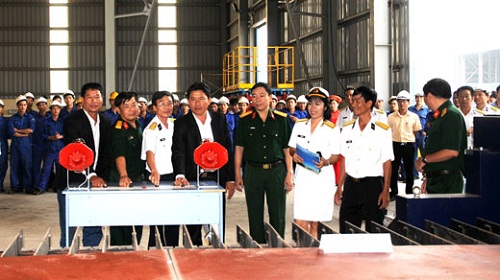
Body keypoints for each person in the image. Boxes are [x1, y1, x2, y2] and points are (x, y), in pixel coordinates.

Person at [172, 81, 235, 245]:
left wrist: (230, 178)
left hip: (217, 178)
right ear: (188, 101)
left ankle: (217, 253)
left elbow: (228, 148)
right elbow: (178, 151)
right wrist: (180, 174)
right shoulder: (181, 123)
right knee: (192, 222)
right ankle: (193, 253)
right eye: (193, 99)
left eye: (201, 98)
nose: (197, 103)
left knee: (216, 221)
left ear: (209, 100)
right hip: (193, 178)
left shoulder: (219, 119)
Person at [234, 82, 293, 243]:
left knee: (278, 212)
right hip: (253, 171)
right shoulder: (245, 121)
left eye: (261, 95)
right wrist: (237, 173)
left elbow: (286, 149)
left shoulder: (281, 120)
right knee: (254, 211)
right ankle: (257, 244)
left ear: (269, 97)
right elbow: (239, 148)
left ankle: (278, 243)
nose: (258, 99)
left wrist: (289, 173)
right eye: (254, 96)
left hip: (277, 171)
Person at [54, 82, 110, 247]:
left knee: (93, 220)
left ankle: (91, 251)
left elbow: (106, 153)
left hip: (96, 182)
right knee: (70, 222)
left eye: (97, 97)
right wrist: (92, 175)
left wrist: (102, 177)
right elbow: (77, 151)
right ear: (82, 100)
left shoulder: (105, 122)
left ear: (102, 99)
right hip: (71, 180)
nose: (94, 101)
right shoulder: (72, 121)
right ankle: (67, 253)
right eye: (89, 97)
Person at [334, 86, 393, 233]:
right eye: (353, 101)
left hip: (372, 186)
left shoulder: (382, 130)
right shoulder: (347, 129)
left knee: (374, 231)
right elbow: (345, 161)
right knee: (347, 230)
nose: (354, 104)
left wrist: (386, 190)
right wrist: (339, 187)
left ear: (369, 103)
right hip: (351, 186)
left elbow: (387, 161)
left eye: (358, 101)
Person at [289, 87, 340, 239]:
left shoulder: (332, 129)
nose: (313, 108)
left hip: (322, 179)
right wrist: (294, 154)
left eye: (317, 104)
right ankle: (303, 254)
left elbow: (336, 156)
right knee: (300, 220)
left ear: (325, 106)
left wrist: (326, 161)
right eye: (310, 103)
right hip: (303, 178)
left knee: (316, 223)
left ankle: (315, 256)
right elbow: (291, 148)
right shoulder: (300, 125)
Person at [415, 78, 467, 194]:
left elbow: (451, 151)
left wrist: (424, 159)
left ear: (429, 96)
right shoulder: (441, 115)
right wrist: (428, 177)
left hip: (447, 183)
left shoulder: (451, 115)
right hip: (438, 180)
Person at [141, 91, 179, 247]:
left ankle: (173, 248)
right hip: (157, 177)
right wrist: (154, 170)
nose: (167, 107)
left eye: (169, 103)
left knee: (173, 217)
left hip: (173, 176)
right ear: (154, 107)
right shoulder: (151, 128)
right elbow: (149, 152)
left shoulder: (174, 124)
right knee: (157, 218)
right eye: (162, 104)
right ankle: (155, 251)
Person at [108, 91, 145, 245]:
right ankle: (119, 252)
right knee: (120, 218)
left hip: (138, 178)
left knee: (137, 218)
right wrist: (123, 175)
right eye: (126, 106)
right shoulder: (118, 129)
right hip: (121, 179)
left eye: (134, 105)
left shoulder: (138, 124)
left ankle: (134, 248)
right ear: (118, 109)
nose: (131, 109)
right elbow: (119, 153)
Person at [387, 90, 421, 198]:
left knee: (409, 169)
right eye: (400, 101)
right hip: (395, 144)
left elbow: (416, 132)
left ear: (408, 102)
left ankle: (409, 191)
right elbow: (388, 132)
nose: (402, 104)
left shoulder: (414, 117)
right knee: (394, 169)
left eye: (404, 101)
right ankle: (394, 191)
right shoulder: (391, 117)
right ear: (397, 102)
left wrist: (409, 140)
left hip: (409, 145)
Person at [9, 95, 36, 194]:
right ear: (17, 106)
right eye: (20, 105)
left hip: (26, 146)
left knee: (27, 166)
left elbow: (31, 130)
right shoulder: (12, 118)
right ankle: (15, 187)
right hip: (15, 146)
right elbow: (12, 132)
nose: (23, 107)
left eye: (24, 105)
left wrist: (19, 131)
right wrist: (24, 134)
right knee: (15, 166)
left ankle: (27, 187)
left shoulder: (30, 117)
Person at [38, 100, 64, 194]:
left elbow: (67, 134)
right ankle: (42, 187)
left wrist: (61, 136)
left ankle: (57, 187)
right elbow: (42, 134)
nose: (56, 110)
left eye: (57, 108)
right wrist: (50, 137)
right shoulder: (46, 122)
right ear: (51, 110)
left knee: (60, 170)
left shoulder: (62, 122)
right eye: (54, 108)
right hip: (49, 149)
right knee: (46, 169)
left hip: (60, 150)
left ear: (60, 110)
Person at [408, 92, 430, 179]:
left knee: (424, 155)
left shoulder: (426, 110)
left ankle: (425, 173)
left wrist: (426, 131)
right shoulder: (410, 109)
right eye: (417, 97)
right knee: (413, 155)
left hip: (422, 135)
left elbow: (429, 121)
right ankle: (415, 174)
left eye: (420, 97)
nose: (418, 99)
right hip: (413, 134)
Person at [32, 97, 50, 190]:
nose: (42, 106)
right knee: (36, 166)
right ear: (37, 106)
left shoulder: (50, 117)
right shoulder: (34, 118)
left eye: (44, 104)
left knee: (47, 167)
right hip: (37, 145)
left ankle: (46, 185)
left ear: (46, 106)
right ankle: (36, 185)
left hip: (48, 145)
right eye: (40, 105)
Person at [0, 100, 9, 193]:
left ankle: (0, 185)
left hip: (2, 144)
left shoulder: (5, 121)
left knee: (3, 165)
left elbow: (9, 133)